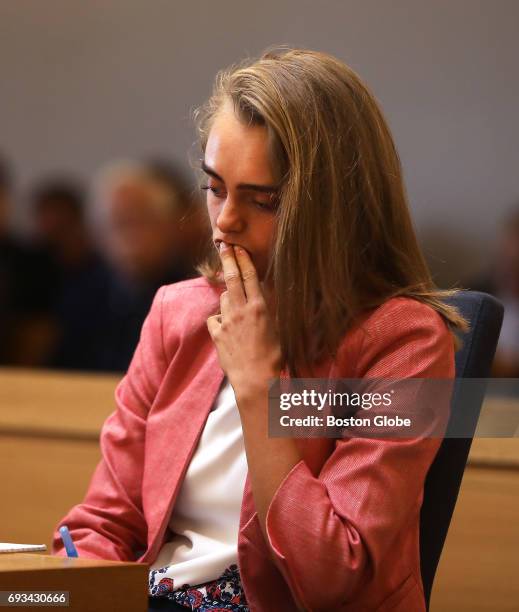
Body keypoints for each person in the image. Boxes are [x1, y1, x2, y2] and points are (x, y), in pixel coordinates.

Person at [52, 48, 469, 611]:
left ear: (333, 207)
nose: (224, 222)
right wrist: (54, 592)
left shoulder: (405, 342)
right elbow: (105, 522)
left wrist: (258, 387)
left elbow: (332, 575)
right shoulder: (179, 313)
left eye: (262, 199)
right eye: (215, 187)